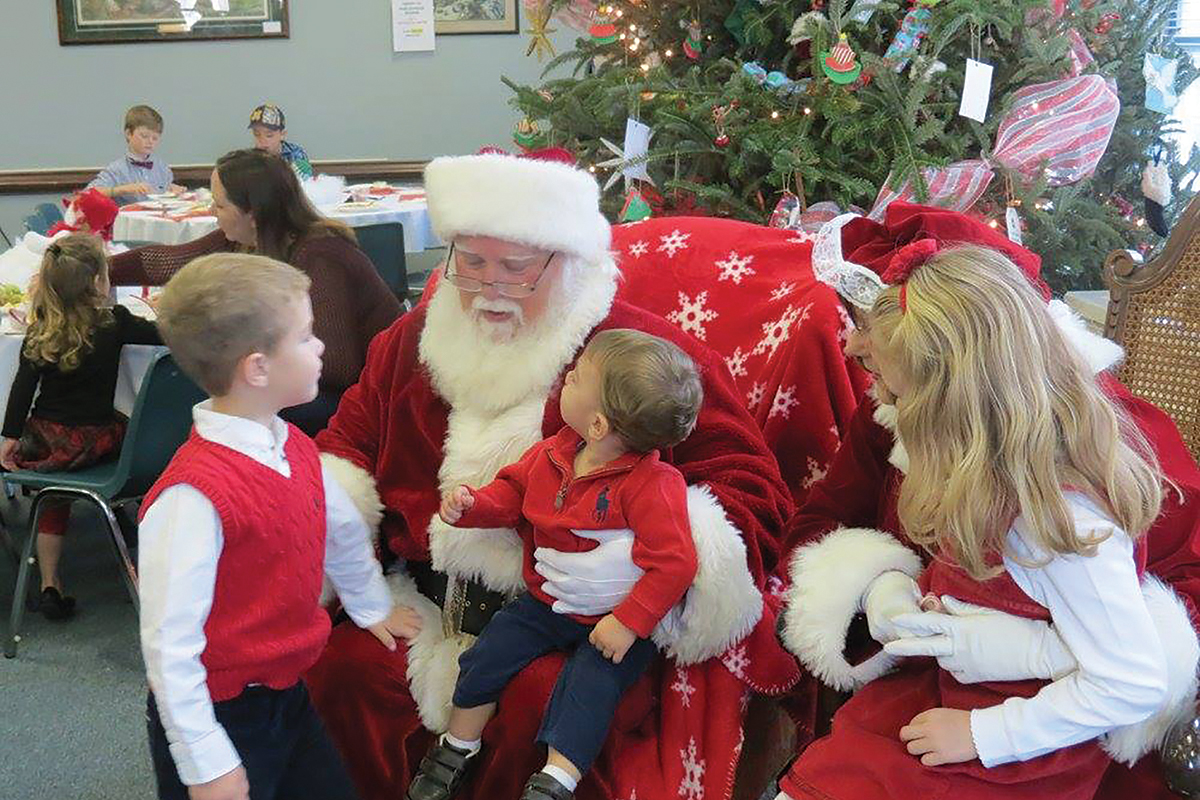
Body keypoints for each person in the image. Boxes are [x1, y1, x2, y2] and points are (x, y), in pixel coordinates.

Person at [304, 148, 799, 800]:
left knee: (539, 708)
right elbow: (347, 446)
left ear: (569, 262)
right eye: (470, 262)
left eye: (515, 269)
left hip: (573, 619)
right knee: (341, 670)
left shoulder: (636, 355)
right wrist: (355, 575)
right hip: (420, 598)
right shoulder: (412, 340)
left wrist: (646, 560)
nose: (488, 290)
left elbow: (752, 487)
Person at [776, 203, 1200, 800]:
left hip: (1019, 747)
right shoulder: (991, 477)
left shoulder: (1055, 520)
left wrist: (989, 727)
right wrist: (889, 591)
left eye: (902, 395)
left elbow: (1133, 678)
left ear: (954, 405)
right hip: (953, 694)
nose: (855, 354)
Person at [140, 253, 422, 800]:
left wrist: (371, 606)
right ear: (258, 368)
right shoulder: (192, 498)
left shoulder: (292, 445)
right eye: (306, 336)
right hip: (221, 712)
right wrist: (206, 763)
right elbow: (170, 647)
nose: (320, 348)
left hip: (289, 691)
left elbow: (338, 531)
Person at [411, 329, 702, 800]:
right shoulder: (553, 453)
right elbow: (513, 494)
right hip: (545, 602)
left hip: (613, 619)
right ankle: (454, 748)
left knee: (590, 686)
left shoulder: (654, 483)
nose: (567, 376)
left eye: (579, 376)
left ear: (600, 426)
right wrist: (475, 506)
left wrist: (628, 622)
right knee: (489, 653)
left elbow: (675, 563)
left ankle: (554, 782)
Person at [108, 148, 400, 435]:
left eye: (219, 205)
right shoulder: (246, 238)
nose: (212, 211)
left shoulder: (321, 255)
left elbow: (336, 370)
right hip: (315, 387)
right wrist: (91, 269)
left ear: (252, 213)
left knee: (223, 407)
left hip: (367, 402)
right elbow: (166, 263)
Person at [0, 233, 161, 619]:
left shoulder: (39, 330)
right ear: (100, 282)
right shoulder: (116, 323)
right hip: (97, 442)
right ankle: (138, 531)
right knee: (131, 424)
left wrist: (9, 438)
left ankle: (50, 582)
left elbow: (22, 391)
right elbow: (159, 336)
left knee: (54, 496)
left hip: (48, 443)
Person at [88, 105, 184, 205]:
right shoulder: (116, 169)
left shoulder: (163, 168)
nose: (150, 142)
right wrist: (123, 189)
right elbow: (88, 194)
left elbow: (166, 194)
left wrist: (174, 190)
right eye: (144, 136)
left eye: (155, 138)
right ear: (129, 134)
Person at [249, 104, 313, 180]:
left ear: (282, 135)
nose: (262, 141)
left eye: (269, 135)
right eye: (257, 135)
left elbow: (302, 187)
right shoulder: (250, 159)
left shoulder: (295, 154)